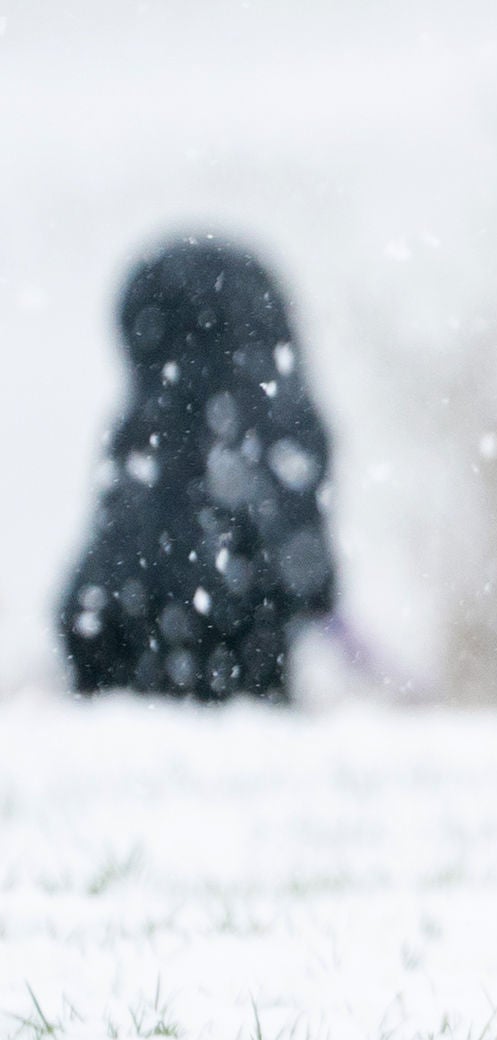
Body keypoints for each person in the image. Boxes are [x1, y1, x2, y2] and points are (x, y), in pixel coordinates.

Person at [63, 237, 338, 701]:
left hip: (125, 655)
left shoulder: (142, 434)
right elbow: (309, 575)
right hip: (245, 663)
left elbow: (88, 610)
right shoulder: (282, 427)